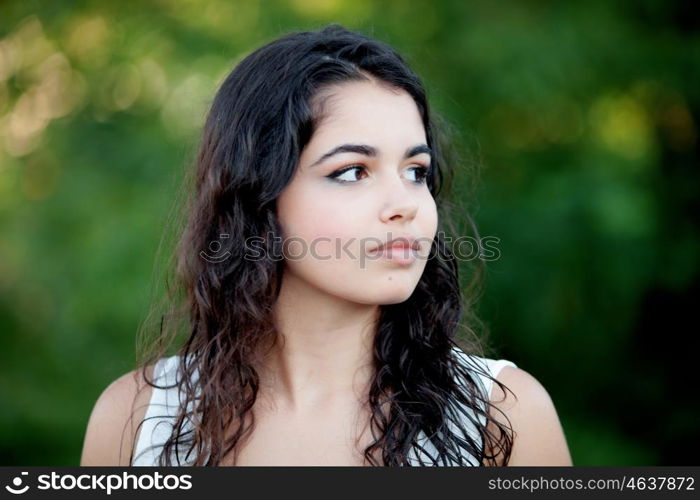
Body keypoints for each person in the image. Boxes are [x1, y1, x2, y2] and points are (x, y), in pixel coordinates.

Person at [80, 24, 572, 467]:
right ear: (258, 195)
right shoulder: (140, 421)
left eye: (416, 172)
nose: (405, 205)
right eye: (352, 172)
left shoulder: (500, 416)